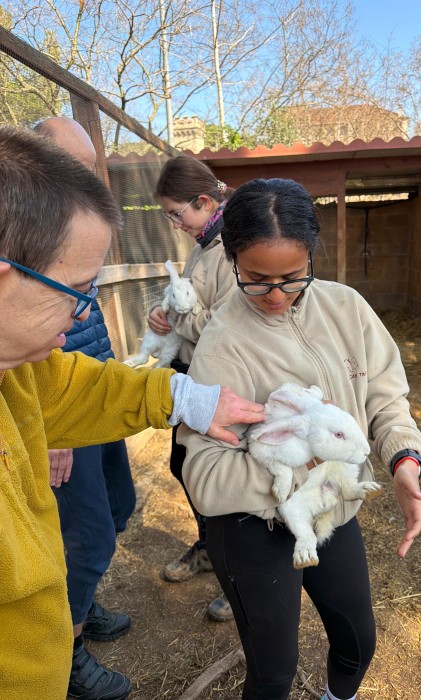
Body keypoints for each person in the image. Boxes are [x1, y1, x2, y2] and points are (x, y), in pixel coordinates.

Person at [0, 124, 264, 700]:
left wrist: (181, 397)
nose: (83, 313)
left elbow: (65, 386)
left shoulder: (15, 368)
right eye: (77, 289)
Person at [178, 178, 421, 700]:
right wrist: (300, 465)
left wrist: (403, 456)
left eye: (292, 277)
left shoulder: (346, 308)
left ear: (312, 253)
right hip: (253, 525)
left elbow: (384, 395)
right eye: (256, 279)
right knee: (274, 670)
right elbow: (203, 472)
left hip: (329, 511)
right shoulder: (221, 344)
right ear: (232, 260)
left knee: (358, 641)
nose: (275, 295)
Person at [34, 116, 136, 700]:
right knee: (86, 537)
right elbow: (26, 347)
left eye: (93, 168)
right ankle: (67, 659)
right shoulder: (29, 232)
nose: (91, 179)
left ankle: (82, 604)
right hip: (62, 420)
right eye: (79, 168)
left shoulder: (73, 226)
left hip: (93, 402)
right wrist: (52, 430)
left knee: (119, 506)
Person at [147, 155, 237, 621]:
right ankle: (210, 547)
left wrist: (178, 318)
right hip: (189, 375)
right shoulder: (203, 243)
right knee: (184, 466)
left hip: (217, 382)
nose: (174, 223)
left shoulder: (232, 248)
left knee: (217, 475)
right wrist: (162, 313)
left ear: (203, 201)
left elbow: (223, 326)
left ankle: (237, 570)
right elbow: (186, 301)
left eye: (176, 213)